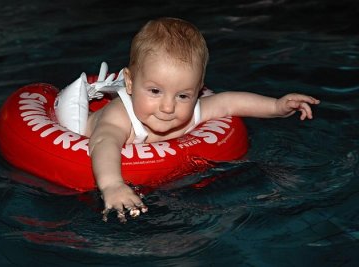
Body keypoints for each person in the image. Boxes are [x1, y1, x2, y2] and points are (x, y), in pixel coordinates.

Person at [56, 17, 320, 223]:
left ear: (198, 90)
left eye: (183, 95)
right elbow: (103, 143)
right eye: (155, 91)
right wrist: (113, 185)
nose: (169, 106)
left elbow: (229, 102)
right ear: (130, 82)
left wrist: (276, 106)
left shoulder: (193, 109)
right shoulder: (120, 116)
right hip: (84, 141)